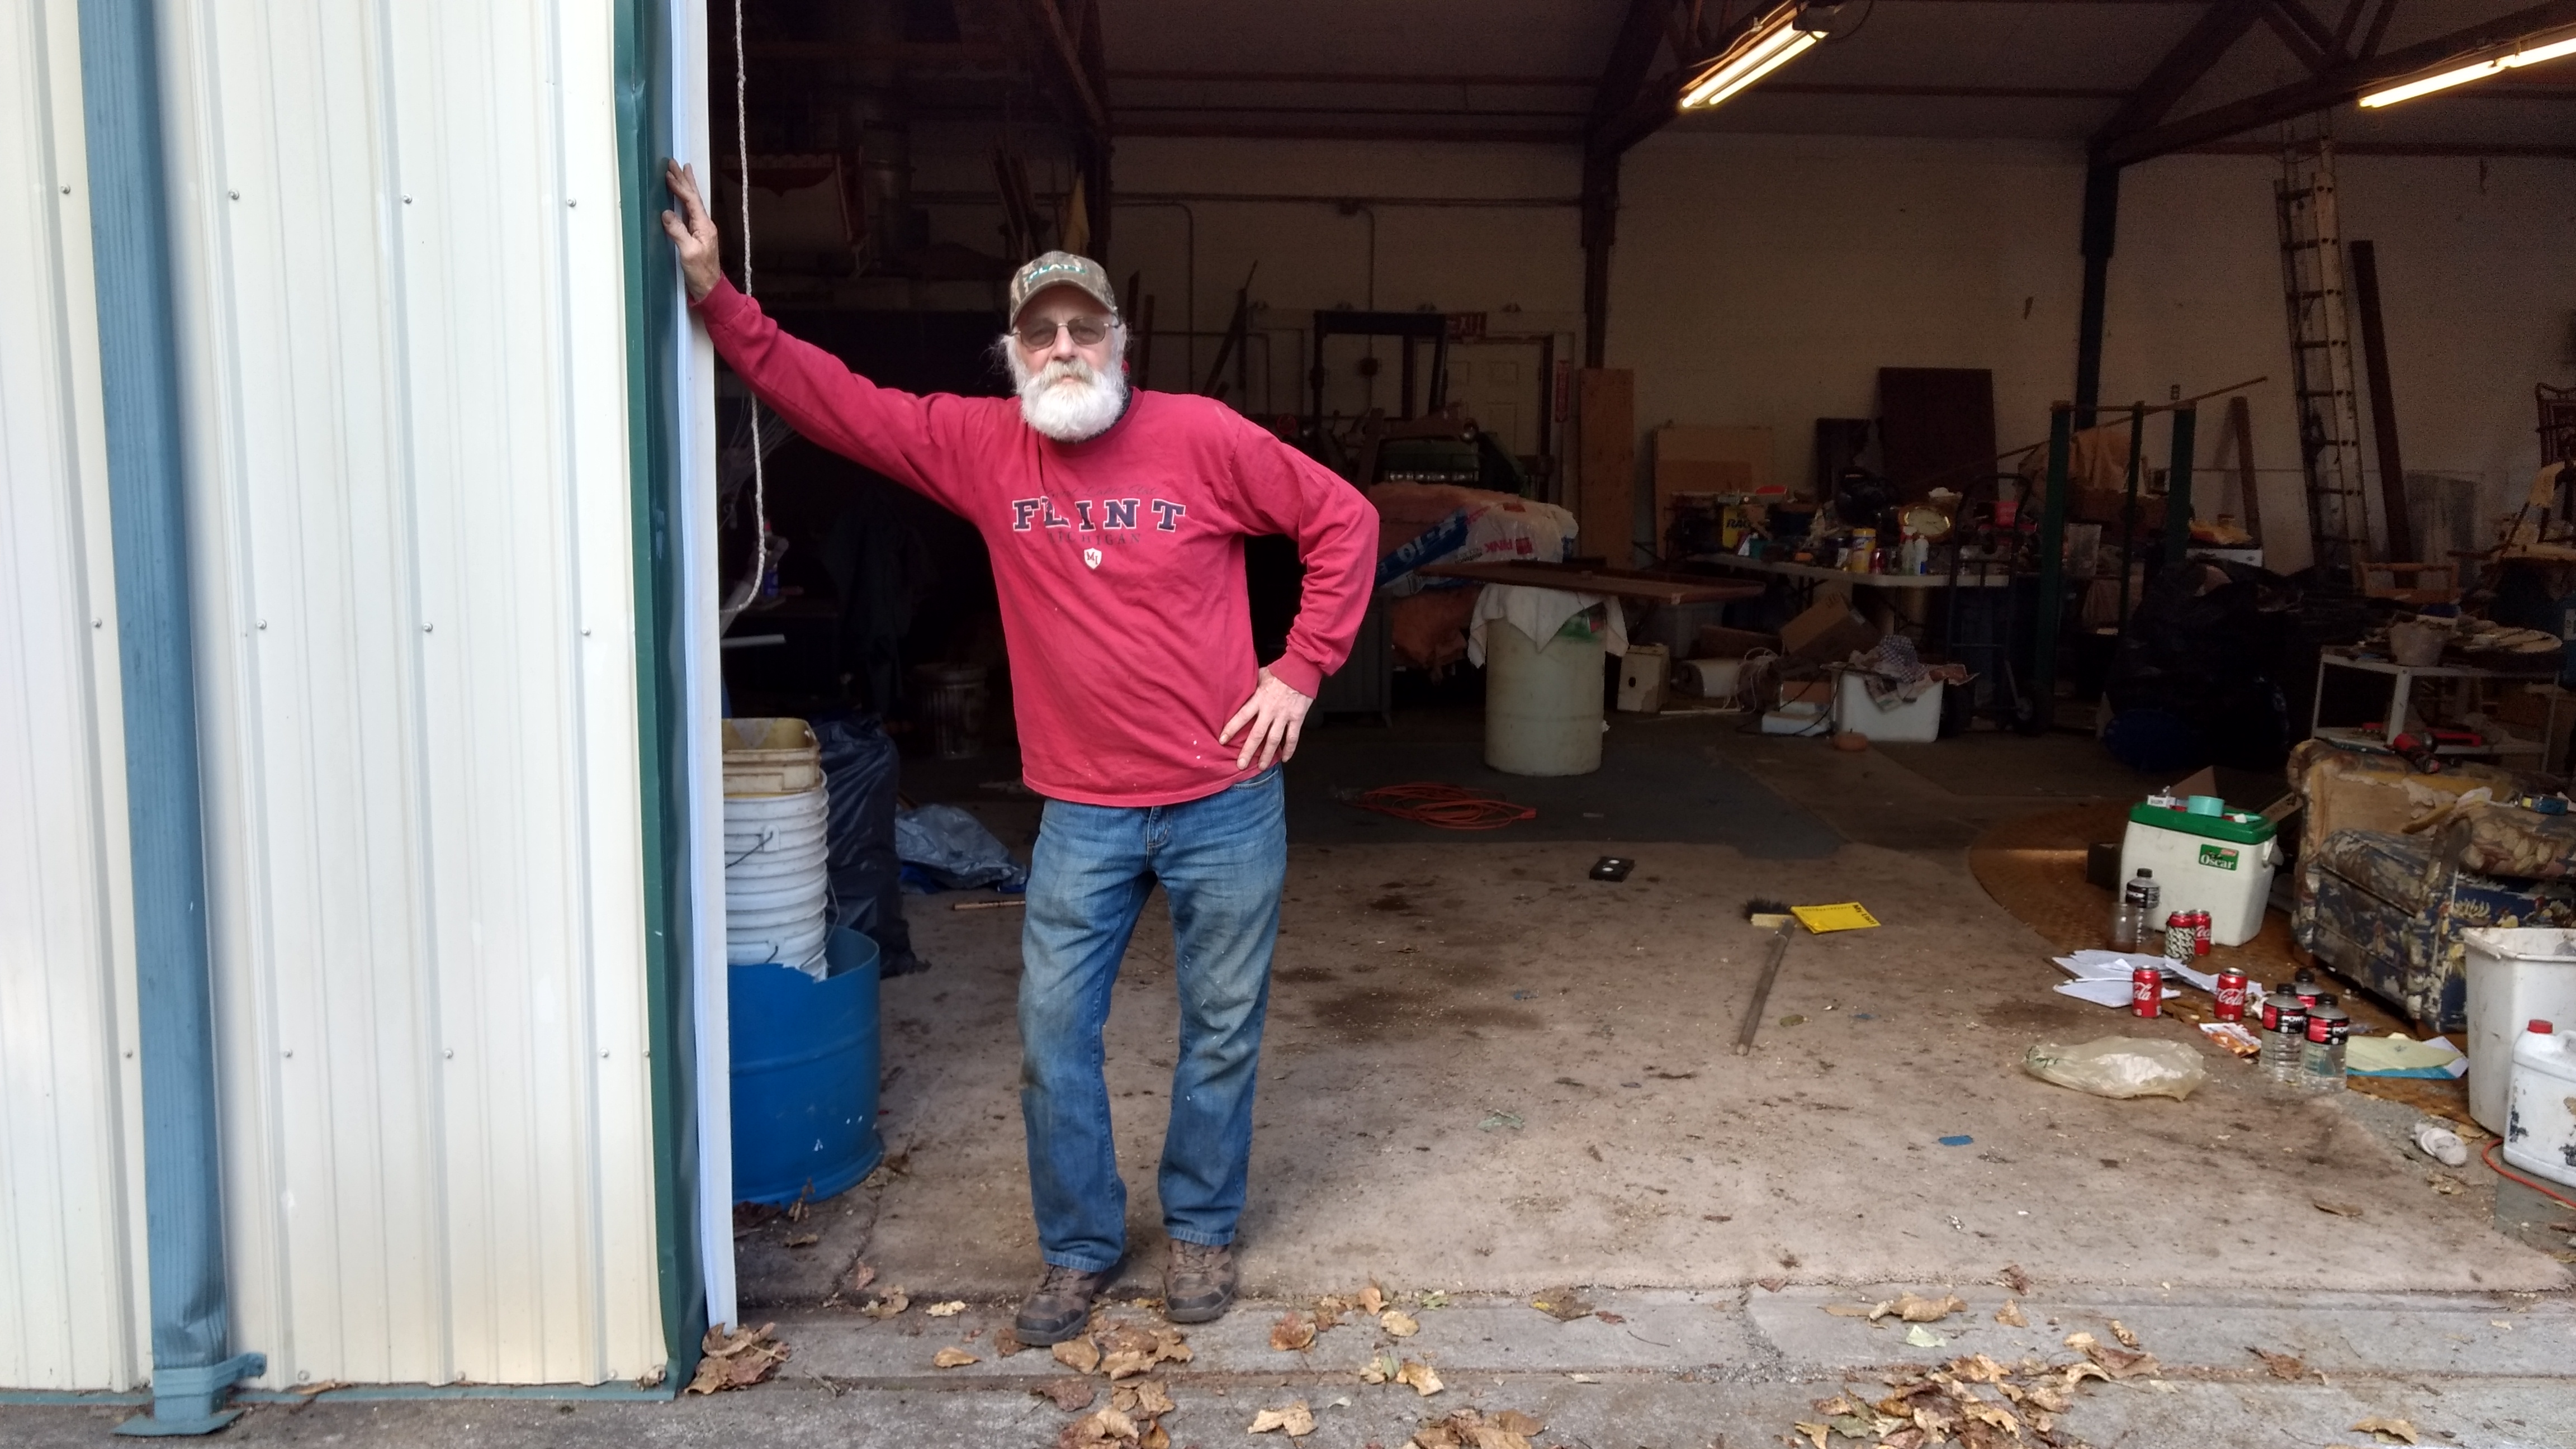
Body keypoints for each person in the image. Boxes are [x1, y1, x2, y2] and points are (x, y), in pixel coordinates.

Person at [661, 162, 1375, 1341]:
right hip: (1084, 812)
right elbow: (838, 402)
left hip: (1225, 798)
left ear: (1120, 343)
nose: (1063, 349)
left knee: (1222, 1028)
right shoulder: (983, 447)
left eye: (1083, 329)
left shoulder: (1202, 437)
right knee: (1053, 1036)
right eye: (1040, 333)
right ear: (1013, 352)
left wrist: (1300, 667)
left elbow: (1342, 519)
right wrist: (715, 296)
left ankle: (1201, 1229)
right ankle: (1081, 1248)